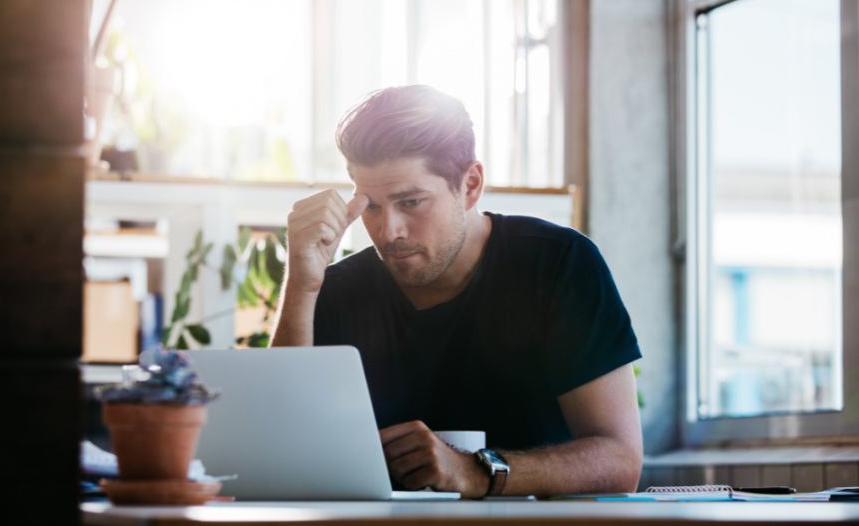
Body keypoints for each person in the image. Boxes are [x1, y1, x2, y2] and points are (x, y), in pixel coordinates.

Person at [270, 85, 643, 498]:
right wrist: (302, 286)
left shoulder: (557, 264)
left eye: (411, 202)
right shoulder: (336, 289)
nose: (388, 232)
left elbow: (620, 459)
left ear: (470, 185)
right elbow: (278, 449)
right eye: (371, 207)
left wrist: (474, 472)